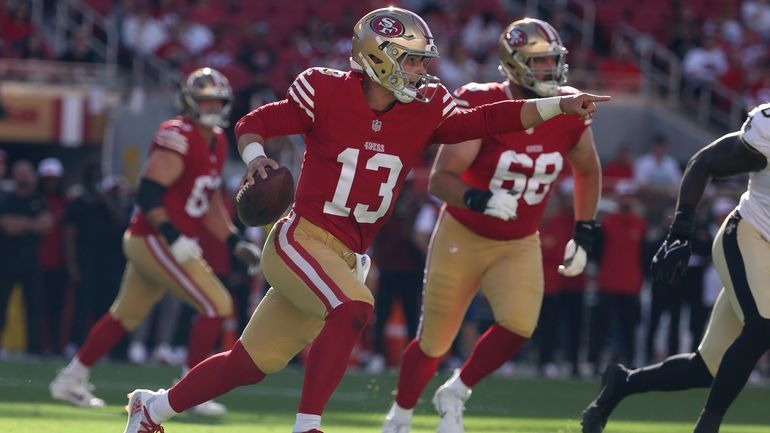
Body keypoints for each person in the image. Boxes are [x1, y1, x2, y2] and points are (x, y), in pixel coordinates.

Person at [121, 7, 609, 433]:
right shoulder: (327, 90)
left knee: (250, 364)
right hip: (301, 238)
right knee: (354, 307)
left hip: (347, 252)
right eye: (412, 59)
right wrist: (254, 159)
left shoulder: (427, 105)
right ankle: (308, 426)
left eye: (422, 60)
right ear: (379, 57)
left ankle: (151, 408)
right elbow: (254, 123)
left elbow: (484, 121)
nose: (422, 70)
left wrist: (557, 105)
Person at [381, 17, 602, 433]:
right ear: (515, 65)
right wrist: (479, 198)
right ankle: (401, 415)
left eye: (553, 61)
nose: (550, 70)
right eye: (539, 63)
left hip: (519, 240)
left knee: (520, 325)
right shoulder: (482, 102)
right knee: (435, 342)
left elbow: (588, 170)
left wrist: (585, 230)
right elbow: (440, 180)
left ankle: (456, 390)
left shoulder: (570, 109)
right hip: (463, 233)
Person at [50, 68, 262, 415]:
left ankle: (70, 378)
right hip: (156, 238)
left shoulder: (218, 140)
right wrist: (173, 236)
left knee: (126, 315)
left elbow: (207, 202)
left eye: (216, 100)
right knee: (217, 305)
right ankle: (191, 392)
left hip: (166, 239)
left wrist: (233, 240)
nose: (211, 106)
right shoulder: (177, 133)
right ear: (190, 102)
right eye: (204, 99)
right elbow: (149, 194)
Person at [581, 103, 770, 433]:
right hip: (748, 234)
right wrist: (680, 232)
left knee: (706, 368)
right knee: (764, 326)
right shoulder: (767, 132)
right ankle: (706, 428)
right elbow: (704, 162)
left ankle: (620, 384)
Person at [0, 160, 52, 356]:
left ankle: (35, 348)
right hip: (7, 259)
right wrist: (31, 223)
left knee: (34, 304)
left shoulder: (38, 199)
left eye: (26, 172)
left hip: (31, 259)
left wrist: (20, 223)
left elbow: (46, 224)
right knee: (1, 302)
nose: (23, 177)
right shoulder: (6, 198)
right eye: (20, 172)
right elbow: (6, 225)